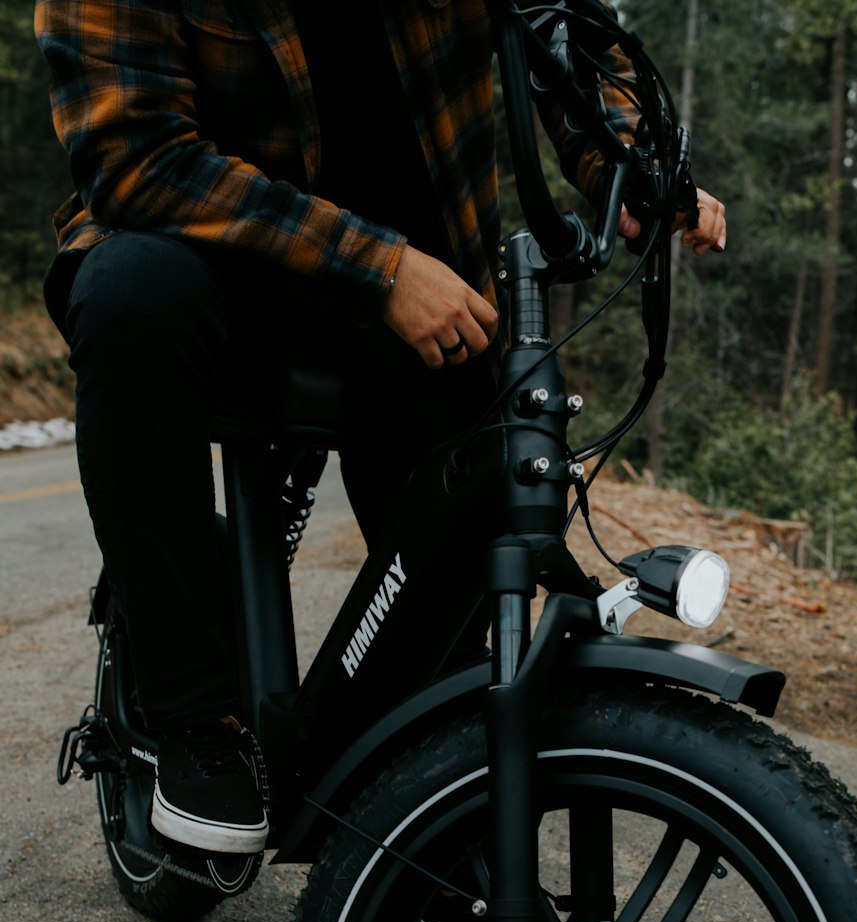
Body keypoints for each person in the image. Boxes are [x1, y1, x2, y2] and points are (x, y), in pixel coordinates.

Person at [35, 0, 726, 862]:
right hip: (214, 271)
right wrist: (378, 270)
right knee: (128, 294)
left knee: (460, 546)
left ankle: (418, 807)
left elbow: (558, 28)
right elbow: (134, 160)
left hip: (424, 282)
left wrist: (632, 167)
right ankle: (191, 722)